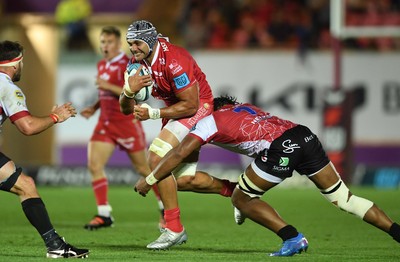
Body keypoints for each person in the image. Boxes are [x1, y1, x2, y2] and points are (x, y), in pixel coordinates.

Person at [134, 95, 400, 256]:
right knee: (344, 199)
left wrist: (149, 179)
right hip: (304, 135)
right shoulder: (244, 107)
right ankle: (396, 232)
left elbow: (179, 153)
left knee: (241, 198)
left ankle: (293, 238)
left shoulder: (209, 121)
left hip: (282, 148)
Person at [120, 20, 236, 249]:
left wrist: (154, 113)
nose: (133, 48)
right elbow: (126, 109)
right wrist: (128, 91)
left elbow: (191, 105)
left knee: (157, 157)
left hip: (198, 107)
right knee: (181, 180)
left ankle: (173, 228)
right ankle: (237, 192)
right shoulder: (136, 64)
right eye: (130, 43)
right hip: (175, 111)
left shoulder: (174, 60)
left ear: (150, 40)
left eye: (137, 42)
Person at [0, 40, 89, 258]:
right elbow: (28, 127)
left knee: (26, 185)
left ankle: (55, 245)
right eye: (23, 62)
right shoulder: (7, 88)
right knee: (26, 186)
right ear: (16, 63)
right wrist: (55, 116)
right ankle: (56, 246)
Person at [80, 26, 161, 230]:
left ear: (117, 44)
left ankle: (164, 207)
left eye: (108, 42)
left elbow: (136, 92)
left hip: (126, 123)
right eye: (102, 42)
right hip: (105, 124)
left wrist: (107, 86)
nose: (104, 46)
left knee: (144, 169)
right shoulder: (102, 65)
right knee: (94, 165)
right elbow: (106, 95)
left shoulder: (129, 64)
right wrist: (94, 107)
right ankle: (104, 214)